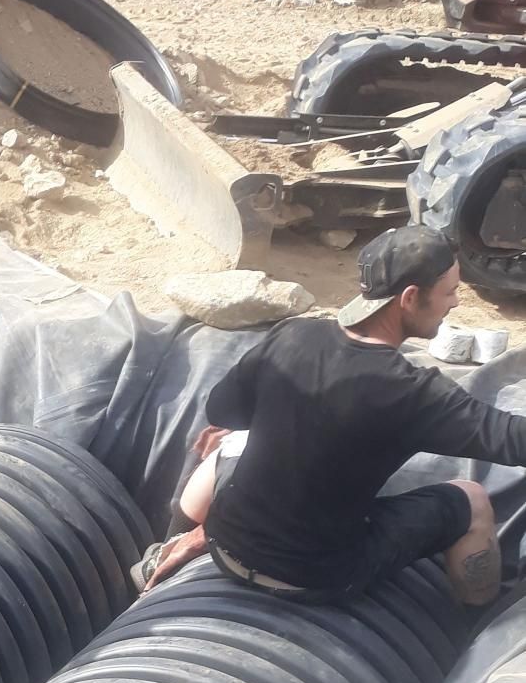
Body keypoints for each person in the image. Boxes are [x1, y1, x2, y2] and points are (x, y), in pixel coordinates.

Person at [145, 228, 526, 606]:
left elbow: (221, 411)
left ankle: (167, 552)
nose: (456, 303)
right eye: (450, 292)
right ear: (410, 298)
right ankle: (477, 631)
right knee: (472, 499)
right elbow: (513, 439)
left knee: (226, 445)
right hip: (316, 576)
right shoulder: (414, 392)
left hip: (226, 548)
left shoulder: (294, 335)